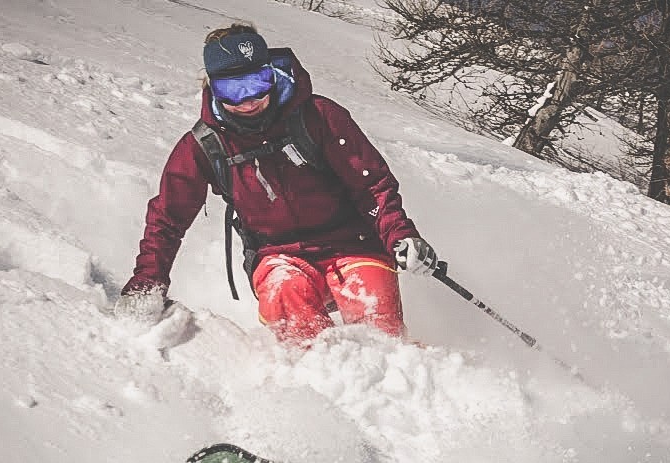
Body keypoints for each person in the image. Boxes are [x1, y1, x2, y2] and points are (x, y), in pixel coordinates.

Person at [116, 22, 438, 343]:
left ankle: (400, 370)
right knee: (286, 295)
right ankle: (314, 374)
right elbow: (167, 218)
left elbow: (372, 186)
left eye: (256, 83)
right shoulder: (206, 145)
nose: (248, 101)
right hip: (278, 255)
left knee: (380, 329)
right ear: (212, 88)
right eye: (232, 90)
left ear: (271, 75)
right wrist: (147, 282)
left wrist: (401, 235)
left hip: (351, 243)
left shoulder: (318, 117)